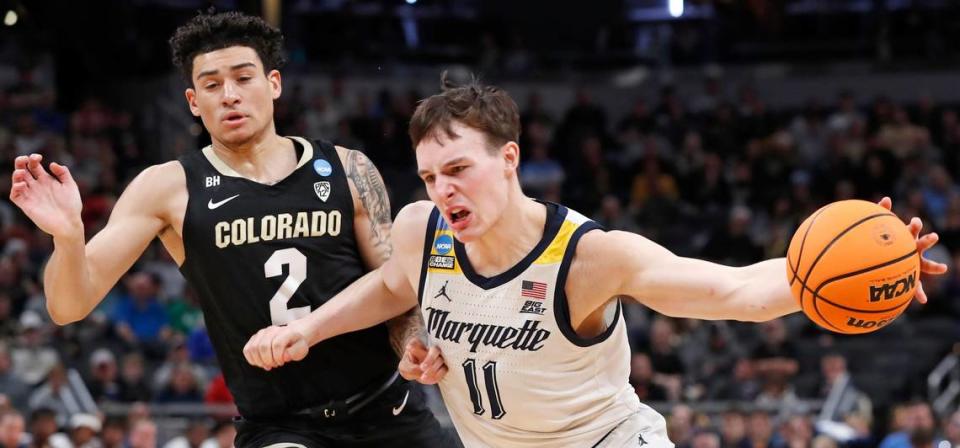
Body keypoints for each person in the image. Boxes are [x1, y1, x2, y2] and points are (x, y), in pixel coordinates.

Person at [243, 76, 947, 447]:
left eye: (457, 169)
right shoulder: (422, 231)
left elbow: (738, 291)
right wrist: (310, 331)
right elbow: (392, 287)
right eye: (430, 177)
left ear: (510, 158)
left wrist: (880, 268)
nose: (441, 190)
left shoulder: (590, 258)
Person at [9, 11, 451, 448]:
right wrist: (68, 237)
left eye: (243, 78)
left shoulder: (347, 168)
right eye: (212, 85)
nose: (229, 96)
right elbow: (68, 307)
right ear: (193, 102)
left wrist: (413, 340)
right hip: (281, 426)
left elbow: (395, 288)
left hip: (386, 408)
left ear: (273, 84)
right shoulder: (167, 187)